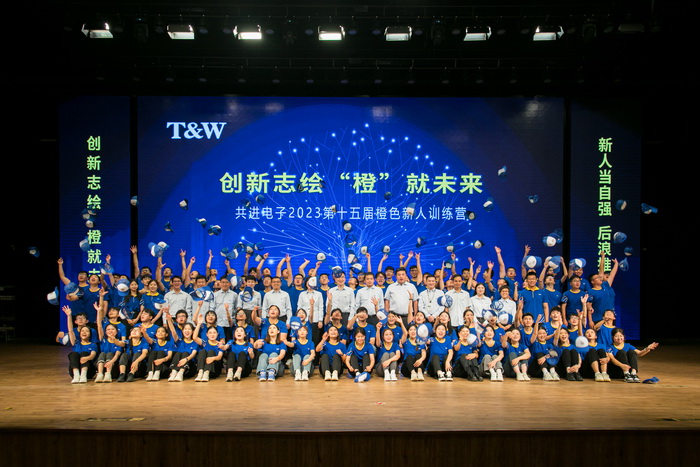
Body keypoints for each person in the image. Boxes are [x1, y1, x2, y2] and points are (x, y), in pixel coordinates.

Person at [63, 305, 98, 383]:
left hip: (88, 371)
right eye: (82, 331)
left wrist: (87, 358)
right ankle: (76, 375)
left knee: (84, 353)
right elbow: (70, 330)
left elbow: (93, 355)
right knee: (74, 354)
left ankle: (83, 375)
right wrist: (69, 315)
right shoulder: (76, 343)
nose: (84, 333)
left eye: (87, 331)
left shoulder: (93, 345)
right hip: (76, 369)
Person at [165, 315, 199, 382]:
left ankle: (181, 373)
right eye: (185, 329)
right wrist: (169, 320)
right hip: (177, 365)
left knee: (185, 353)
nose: (187, 331)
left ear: (192, 331)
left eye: (189, 329)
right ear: (182, 331)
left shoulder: (195, 342)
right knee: (178, 353)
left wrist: (186, 359)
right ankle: (174, 372)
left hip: (189, 367)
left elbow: (193, 354)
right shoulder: (179, 341)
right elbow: (173, 332)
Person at [193, 316, 225, 382]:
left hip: (214, 369)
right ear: (207, 334)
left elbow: (219, 356)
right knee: (203, 351)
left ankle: (206, 373)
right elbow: (194, 338)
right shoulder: (205, 342)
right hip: (204, 367)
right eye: (210, 333)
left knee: (211, 352)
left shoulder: (220, 344)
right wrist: (199, 324)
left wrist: (213, 358)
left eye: (214, 333)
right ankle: (200, 373)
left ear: (217, 334)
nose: (212, 335)